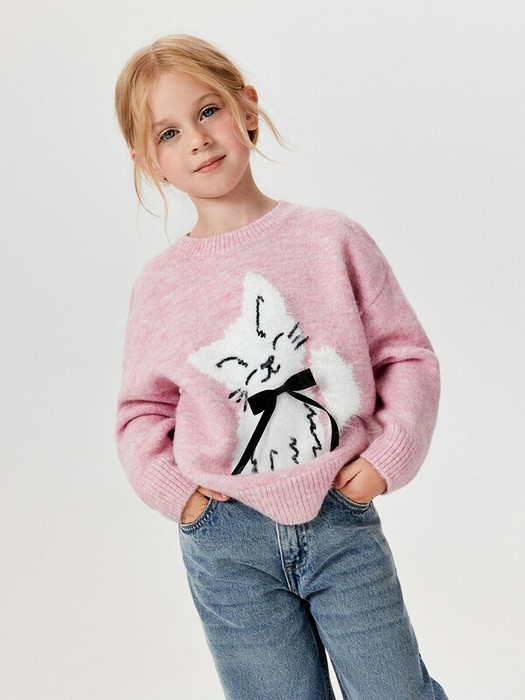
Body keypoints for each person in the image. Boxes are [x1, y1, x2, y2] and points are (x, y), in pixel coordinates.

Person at [114, 34, 449, 700]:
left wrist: (388, 458)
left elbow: (405, 356)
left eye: (208, 111)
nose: (197, 140)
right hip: (226, 542)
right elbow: (141, 412)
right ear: (149, 162)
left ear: (247, 108)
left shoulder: (329, 238)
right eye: (168, 133)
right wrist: (181, 496)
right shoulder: (161, 285)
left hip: (339, 516)